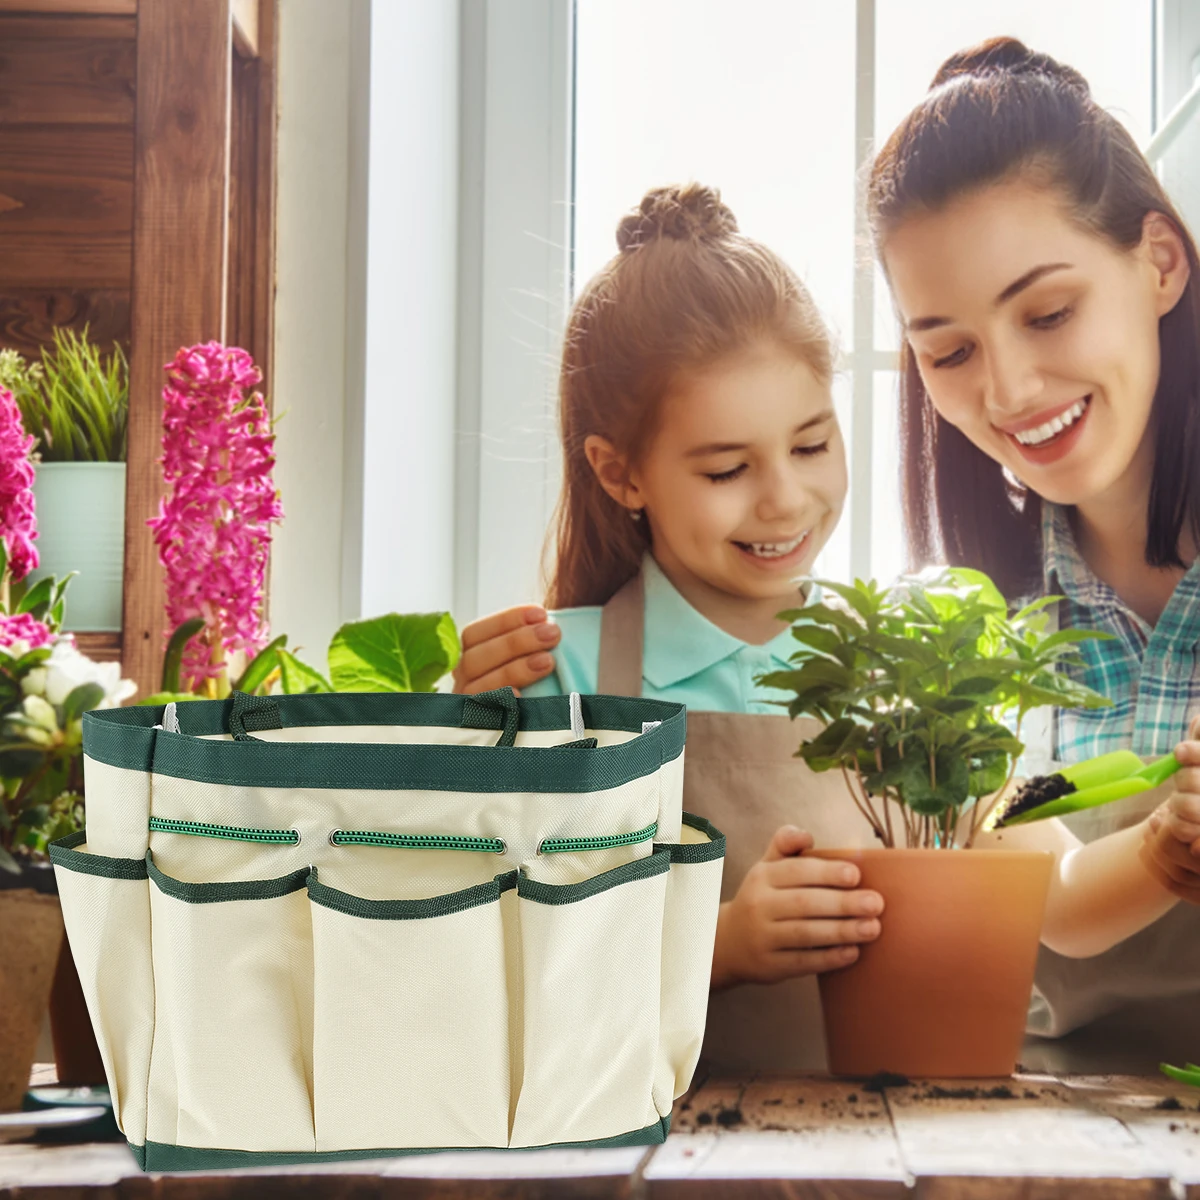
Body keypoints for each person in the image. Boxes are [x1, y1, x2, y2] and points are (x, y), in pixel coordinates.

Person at [453, 181, 1195, 1070]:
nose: (785, 500)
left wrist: (1164, 849)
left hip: (862, 1152)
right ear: (621, 474)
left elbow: (1059, 902)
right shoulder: (551, 676)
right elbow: (492, 956)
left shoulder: (904, 663)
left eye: (811, 445)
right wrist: (721, 947)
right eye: (727, 468)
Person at [866, 36, 1200, 1061]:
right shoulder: (958, 646)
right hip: (1046, 1137)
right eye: (951, 351)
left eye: (1047, 312)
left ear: (1159, 261)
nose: (1008, 392)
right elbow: (1049, 899)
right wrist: (1164, 847)